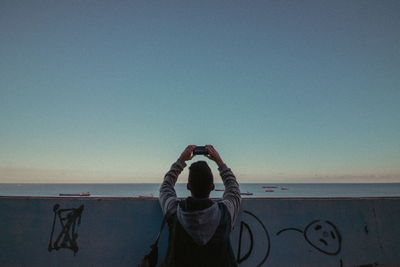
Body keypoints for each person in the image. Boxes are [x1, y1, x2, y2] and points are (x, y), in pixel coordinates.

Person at [159, 145, 241, 267]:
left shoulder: (174, 211)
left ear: (188, 186)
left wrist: (181, 160)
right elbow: (233, 189)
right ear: (212, 187)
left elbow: (166, 187)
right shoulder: (225, 212)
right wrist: (219, 162)